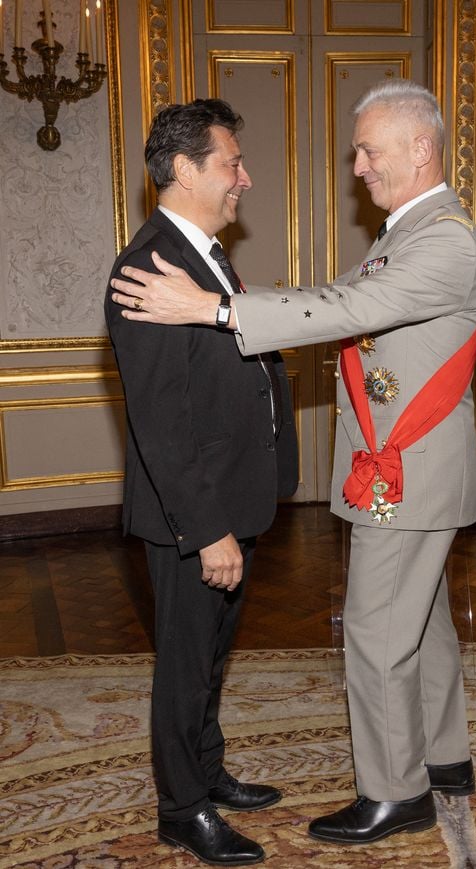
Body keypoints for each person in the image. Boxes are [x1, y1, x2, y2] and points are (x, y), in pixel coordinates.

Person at [110, 80, 476, 847]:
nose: (357, 166)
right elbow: (337, 296)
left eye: (370, 150)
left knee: (380, 631)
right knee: (425, 623)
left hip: (407, 465)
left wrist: (216, 309)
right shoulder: (407, 232)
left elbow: (349, 310)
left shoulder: (443, 237)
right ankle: (445, 757)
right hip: (404, 465)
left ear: (421, 150)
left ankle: (397, 791)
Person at [105, 99, 298, 867]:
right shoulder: (148, 268)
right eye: (231, 164)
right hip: (194, 515)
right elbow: (162, 422)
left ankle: (207, 768)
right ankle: (181, 808)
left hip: (228, 498)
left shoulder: (202, 255)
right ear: (184, 171)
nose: (244, 179)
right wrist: (208, 528)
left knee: (213, 654)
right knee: (185, 662)